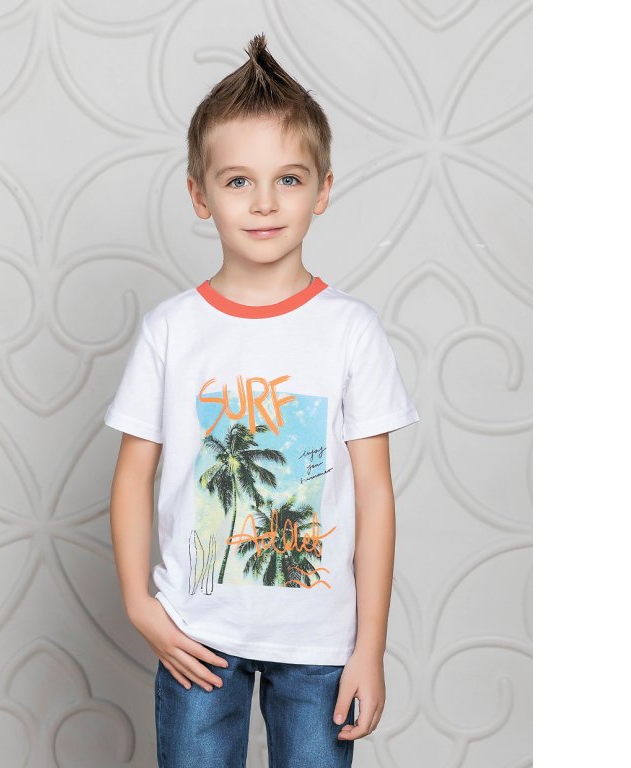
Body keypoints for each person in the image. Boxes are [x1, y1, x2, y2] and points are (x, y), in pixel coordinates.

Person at [105, 32, 419, 768]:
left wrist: (369, 647)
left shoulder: (350, 331)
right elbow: (132, 475)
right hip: (195, 636)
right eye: (239, 181)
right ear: (199, 193)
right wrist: (140, 607)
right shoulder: (172, 331)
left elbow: (374, 494)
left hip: (320, 645)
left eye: (290, 178)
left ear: (324, 189)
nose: (266, 202)